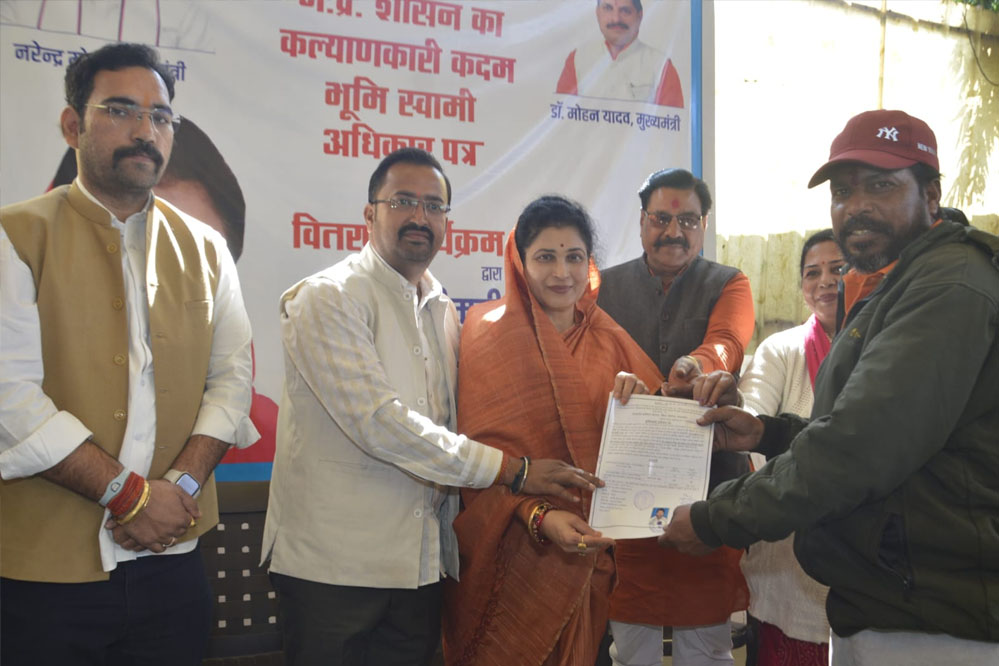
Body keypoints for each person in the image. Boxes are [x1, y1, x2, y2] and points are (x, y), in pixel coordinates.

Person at [660, 109, 999, 665]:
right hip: (894, 599)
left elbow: (858, 449)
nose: (856, 205)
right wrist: (769, 433)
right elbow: (872, 433)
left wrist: (712, 519)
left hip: (935, 622)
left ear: (932, 195)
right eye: (843, 191)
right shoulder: (901, 280)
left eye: (881, 186)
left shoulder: (948, 286)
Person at [261, 150, 606, 666]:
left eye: (433, 206)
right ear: (369, 213)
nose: (419, 217)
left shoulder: (442, 308)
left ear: (447, 221)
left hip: (420, 570)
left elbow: (458, 423)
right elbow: (379, 424)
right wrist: (514, 470)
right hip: (335, 572)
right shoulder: (328, 298)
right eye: (403, 201)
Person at [0, 42, 258, 664]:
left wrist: (179, 487)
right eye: (120, 110)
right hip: (46, 572)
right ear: (73, 125)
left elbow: (231, 381)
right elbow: (10, 399)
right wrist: (129, 496)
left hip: (174, 561)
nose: (145, 131)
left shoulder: (206, 249)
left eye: (160, 116)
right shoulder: (17, 235)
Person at [441, 195, 662, 665]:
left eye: (574, 257)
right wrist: (538, 515)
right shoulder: (485, 333)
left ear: (589, 264)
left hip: (591, 558)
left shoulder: (612, 342)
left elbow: (649, 456)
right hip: (510, 559)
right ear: (520, 262)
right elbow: (473, 460)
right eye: (545, 257)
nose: (562, 273)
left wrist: (638, 406)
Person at [596, 167, 754, 666]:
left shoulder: (729, 282)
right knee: (630, 647)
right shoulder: (601, 288)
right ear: (642, 221)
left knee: (706, 647)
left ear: (703, 225)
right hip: (626, 492)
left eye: (687, 220)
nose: (673, 231)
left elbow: (726, 342)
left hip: (708, 494)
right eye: (661, 218)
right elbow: (587, 363)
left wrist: (696, 365)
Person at [737, 229, 845, 665]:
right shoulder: (781, 350)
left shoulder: (887, 348)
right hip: (789, 566)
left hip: (866, 568)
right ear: (802, 286)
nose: (825, 281)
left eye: (838, 268)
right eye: (812, 273)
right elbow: (752, 419)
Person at [556, 0, 684, 108]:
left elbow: (672, 124)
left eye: (625, 11)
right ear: (598, 13)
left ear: (639, 16)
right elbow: (560, 121)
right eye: (608, 8)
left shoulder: (661, 66)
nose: (616, 19)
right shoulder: (577, 60)